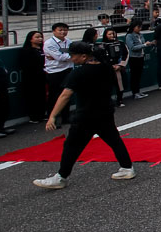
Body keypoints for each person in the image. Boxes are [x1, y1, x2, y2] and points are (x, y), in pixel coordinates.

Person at [32, 41, 135, 189]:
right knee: (114, 140)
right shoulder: (107, 68)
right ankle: (127, 167)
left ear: (84, 56)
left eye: (73, 55)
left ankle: (61, 177)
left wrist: (53, 116)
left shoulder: (79, 73)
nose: (71, 58)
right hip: (105, 111)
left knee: (71, 145)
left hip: (86, 115)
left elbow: (65, 95)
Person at [43, 23, 73, 125]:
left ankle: (66, 117)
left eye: (65, 30)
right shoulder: (49, 43)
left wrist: (66, 56)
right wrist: (70, 56)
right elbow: (59, 57)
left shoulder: (68, 41)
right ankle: (52, 119)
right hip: (55, 72)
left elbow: (70, 54)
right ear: (54, 31)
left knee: (67, 94)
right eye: (60, 30)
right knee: (54, 96)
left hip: (68, 70)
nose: (63, 32)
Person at [19, 30, 47, 123]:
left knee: (41, 96)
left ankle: (41, 114)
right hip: (31, 78)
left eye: (41, 37)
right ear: (30, 39)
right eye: (37, 37)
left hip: (42, 77)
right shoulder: (26, 51)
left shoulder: (42, 49)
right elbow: (26, 65)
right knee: (32, 97)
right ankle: (34, 116)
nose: (40, 39)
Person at [100, 28, 129, 107]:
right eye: (109, 34)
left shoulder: (120, 43)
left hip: (119, 67)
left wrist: (120, 65)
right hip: (108, 69)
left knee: (120, 85)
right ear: (105, 35)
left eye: (113, 33)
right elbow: (101, 58)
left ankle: (120, 100)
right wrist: (110, 66)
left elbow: (126, 54)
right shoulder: (102, 45)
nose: (112, 35)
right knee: (107, 86)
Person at [124, 22, 152, 99]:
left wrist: (147, 44)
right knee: (134, 76)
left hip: (141, 56)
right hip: (134, 57)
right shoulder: (129, 36)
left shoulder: (140, 35)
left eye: (140, 27)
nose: (140, 29)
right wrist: (144, 45)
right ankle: (135, 92)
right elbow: (132, 47)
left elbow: (142, 43)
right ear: (133, 27)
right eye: (138, 27)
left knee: (138, 75)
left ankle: (138, 91)